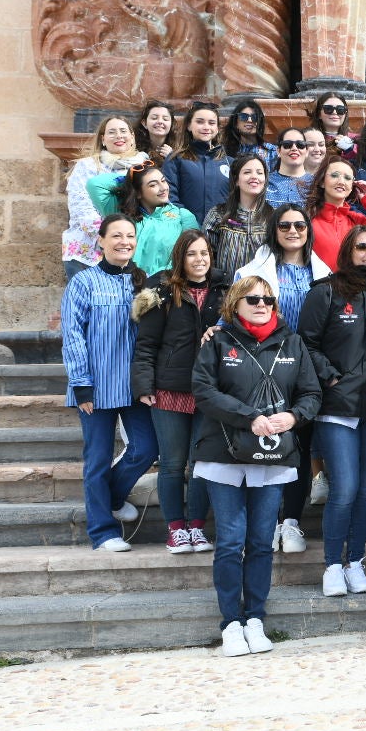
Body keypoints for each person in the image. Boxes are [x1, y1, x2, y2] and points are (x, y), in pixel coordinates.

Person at [190, 275, 322, 656]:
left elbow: (312, 393)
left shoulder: (292, 342)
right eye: (252, 299)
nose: (262, 304)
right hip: (224, 453)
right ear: (235, 304)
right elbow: (204, 391)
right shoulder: (217, 341)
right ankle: (231, 622)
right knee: (231, 541)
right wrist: (248, 415)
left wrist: (295, 417)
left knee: (262, 541)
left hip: (273, 454)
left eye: (268, 299)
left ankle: (256, 618)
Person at [299, 225, 366, 597]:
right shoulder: (325, 292)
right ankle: (331, 566)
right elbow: (305, 343)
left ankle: (355, 562)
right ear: (347, 251)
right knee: (344, 489)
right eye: (362, 246)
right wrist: (330, 378)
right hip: (337, 407)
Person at [61, 214, 158, 551]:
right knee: (98, 458)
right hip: (96, 385)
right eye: (116, 235)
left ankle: (113, 496)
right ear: (101, 241)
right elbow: (72, 335)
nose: (124, 242)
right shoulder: (84, 282)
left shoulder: (142, 282)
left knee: (147, 448)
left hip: (133, 384)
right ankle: (103, 532)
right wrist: (81, 383)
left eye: (130, 236)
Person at [237, 203, 329, 550]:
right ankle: (262, 522)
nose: (293, 231)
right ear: (274, 230)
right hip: (262, 367)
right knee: (262, 443)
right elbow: (235, 313)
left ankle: (290, 521)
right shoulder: (252, 272)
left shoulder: (323, 275)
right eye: (285, 226)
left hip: (305, 371)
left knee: (299, 447)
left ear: (309, 230)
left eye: (300, 226)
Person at [133, 229, 225, 555]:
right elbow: (146, 345)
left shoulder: (225, 291)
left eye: (204, 253)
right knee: (172, 463)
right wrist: (144, 385)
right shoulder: (162, 293)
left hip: (209, 391)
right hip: (169, 390)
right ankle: (176, 529)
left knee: (200, 463)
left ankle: (197, 527)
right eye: (191, 254)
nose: (199, 260)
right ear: (180, 258)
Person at [63, 115, 146, 279]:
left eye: (123, 131)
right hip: (88, 253)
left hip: (129, 250)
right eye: (112, 132)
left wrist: (128, 239)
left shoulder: (144, 166)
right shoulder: (87, 165)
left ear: (132, 137)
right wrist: (111, 238)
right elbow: (81, 208)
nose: (118, 136)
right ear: (103, 139)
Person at [85, 161, 198, 277]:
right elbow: (94, 184)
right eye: (153, 185)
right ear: (138, 192)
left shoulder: (183, 216)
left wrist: (155, 279)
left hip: (164, 286)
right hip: (123, 285)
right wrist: (130, 180)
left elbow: (190, 255)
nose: (163, 188)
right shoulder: (121, 213)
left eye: (163, 181)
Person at [306, 153, 366, 270]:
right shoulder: (307, 220)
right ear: (322, 182)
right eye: (335, 175)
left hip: (355, 285)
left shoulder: (357, 221)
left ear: (352, 186)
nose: (341, 182)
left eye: (347, 178)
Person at [201, 154, 272, 279]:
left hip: (262, 294)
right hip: (225, 291)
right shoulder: (218, 214)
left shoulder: (273, 217)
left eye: (260, 173)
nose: (254, 177)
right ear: (236, 180)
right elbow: (207, 255)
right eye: (247, 172)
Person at [163, 103, 231, 224]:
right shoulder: (176, 159)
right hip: (188, 231)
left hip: (222, 232)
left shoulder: (229, 162)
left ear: (217, 128)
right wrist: (188, 222)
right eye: (200, 122)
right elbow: (169, 196)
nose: (206, 127)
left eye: (211, 123)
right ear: (189, 125)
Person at [266, 128, 313, 208]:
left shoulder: (316, 183)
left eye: (300, 145)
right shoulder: (264, 182)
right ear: (278, 151)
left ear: (307, 151)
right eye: (287, 145)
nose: (294, 148)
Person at [309, 92, 358, 161]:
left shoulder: (357, 140)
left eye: (340, 109)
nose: (334, 112)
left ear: (345, 113)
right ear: (319, 114)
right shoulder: (306, 138)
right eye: (328, 109)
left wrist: (351, 150)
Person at [223, 99, 274, 163]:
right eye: (243, 116)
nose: (249, 120)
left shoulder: (272, 151)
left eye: (254, 117)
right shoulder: (223, 152)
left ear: (260, 122)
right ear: (236, 123)